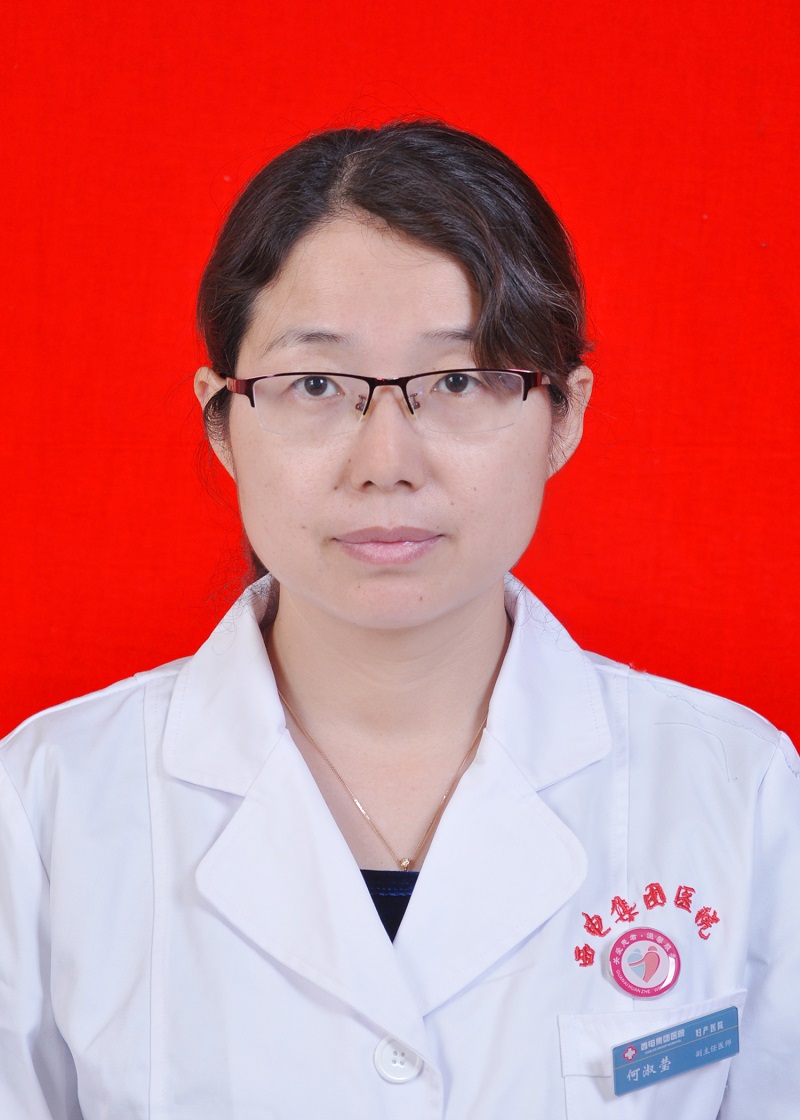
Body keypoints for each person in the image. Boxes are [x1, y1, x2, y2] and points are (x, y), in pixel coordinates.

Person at [1, 120, 797, 1120]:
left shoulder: (738, 795)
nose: (385, 462)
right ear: (221, 420)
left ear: (564, 414)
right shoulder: (47, 806)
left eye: (457, 381)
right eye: (316, 385)